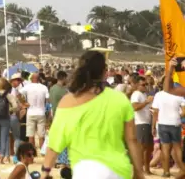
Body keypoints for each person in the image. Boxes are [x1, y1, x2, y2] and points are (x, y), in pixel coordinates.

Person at [42, 50, 146, 179]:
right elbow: (132, 140)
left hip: (86, 171)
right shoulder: (120, 99)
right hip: (118, 170)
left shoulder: (68, 101)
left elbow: (54, 143)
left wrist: (45, 172)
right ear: (104, 72)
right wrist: (138, 172)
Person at [152, 83, 185, 177]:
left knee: (165, 149)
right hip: (175, 124)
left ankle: (166, 172)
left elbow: (155, 111)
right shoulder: (178, 95)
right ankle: (182, 169)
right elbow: (184, 111)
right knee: (177, 148)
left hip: (162, 124)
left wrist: (153, 126)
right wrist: (177, 117)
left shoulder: (159, 95)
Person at [129, 76, 154, 175]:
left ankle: (146, 169)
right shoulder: (136, 94)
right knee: (143, 147)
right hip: (141, 123)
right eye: (143, 85)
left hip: (146, 122)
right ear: (137, 85)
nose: (145, 86)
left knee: (148, 148)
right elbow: (134, 107)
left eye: (146, 84)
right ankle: (141, 169)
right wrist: (146, 102)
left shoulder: (143, 94)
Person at [19, 72, 49, 154]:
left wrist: (24, 102)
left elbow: (18, 94)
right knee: (41, 135)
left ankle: (32, 153)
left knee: (30, 135)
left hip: (31, 112)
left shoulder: (28, 87)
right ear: (39, 79)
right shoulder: (44, 87)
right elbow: (47, 99)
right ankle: (43, 153)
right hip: (41, 112)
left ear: (32, 79)